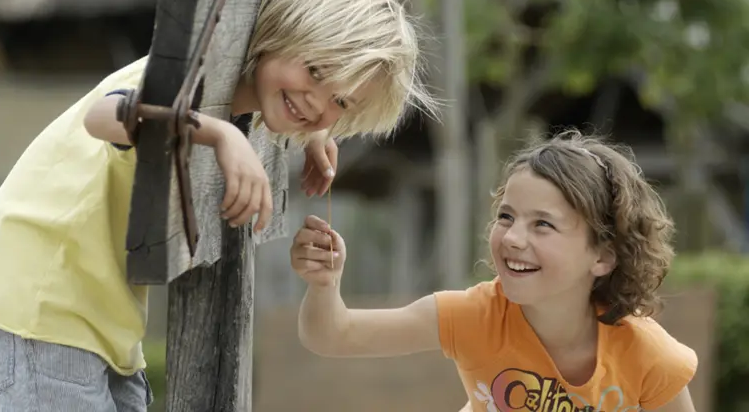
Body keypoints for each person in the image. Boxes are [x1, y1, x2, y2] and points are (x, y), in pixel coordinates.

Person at [0, 0, 436, 411]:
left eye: (340, 102)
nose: (316, 102)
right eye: (315, 71)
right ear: (281, 29)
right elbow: (102, 116)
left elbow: (286, 94)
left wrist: (312, 134)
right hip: (39, 293)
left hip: (101, 312)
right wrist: (221, 134)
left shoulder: (260, 99)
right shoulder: (183, 77)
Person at [291, 130, 698, 412]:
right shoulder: (474, 317)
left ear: (603, 257)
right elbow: (332, 335)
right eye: (506, 216)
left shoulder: (647, 355)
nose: (513, 238)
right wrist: (324, 285)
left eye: (543, 224)